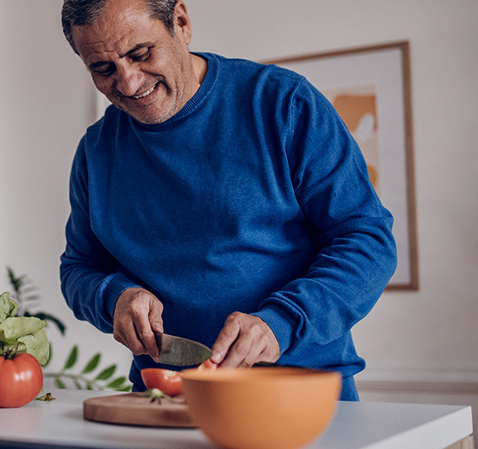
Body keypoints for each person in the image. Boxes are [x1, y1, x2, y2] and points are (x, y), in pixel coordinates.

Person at [58, 0, 397, 401]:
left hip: (302, 396)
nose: (129, 83)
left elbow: (368, 241)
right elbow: (79, 269)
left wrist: (280, 322)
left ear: (181, 23)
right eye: (103, 68)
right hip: (165, 400)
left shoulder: (283, 103)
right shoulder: (96, 152)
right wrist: (113, 297)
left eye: (141, 53)